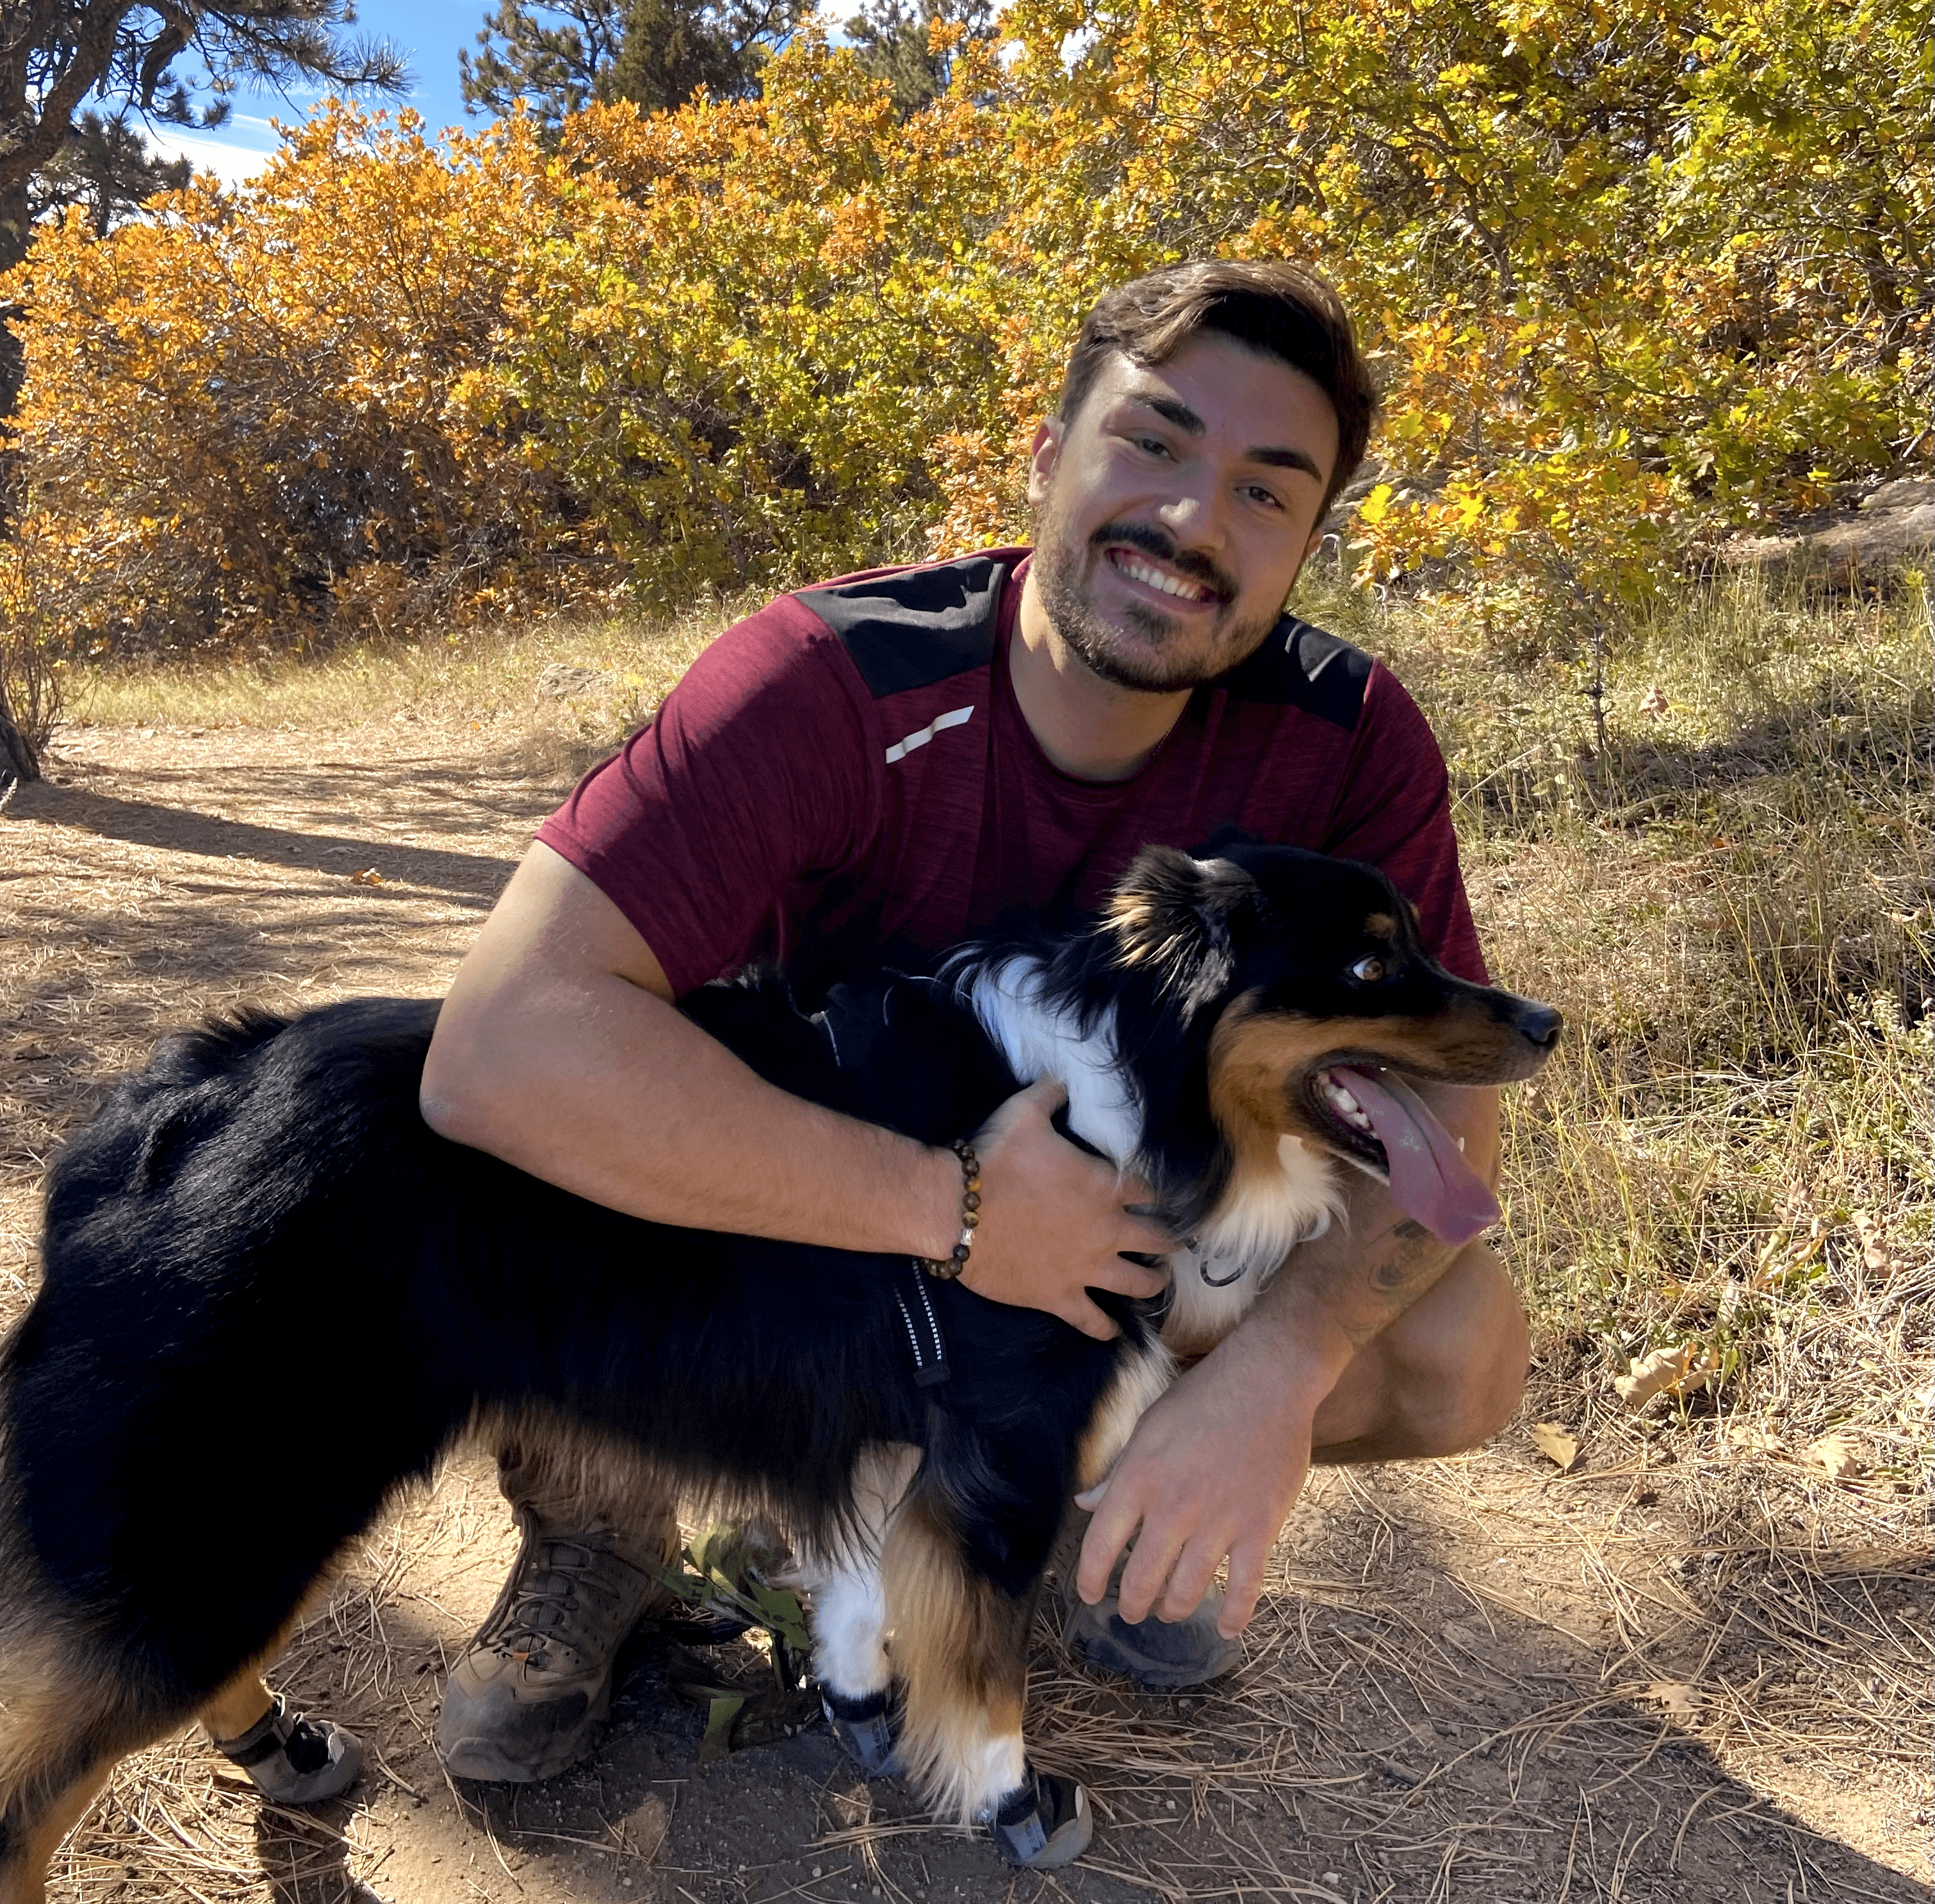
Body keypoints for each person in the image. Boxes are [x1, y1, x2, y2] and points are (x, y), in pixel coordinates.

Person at [415, 259, 1530, 1785]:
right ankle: (598, 1530)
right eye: (1152, 443)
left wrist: (1271, 1380)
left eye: (1268, 492)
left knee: (1457, 1341)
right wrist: (951, 1211)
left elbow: (1443, 1140)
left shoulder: (1345, 735)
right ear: (1046, 451)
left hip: (1104, 1237)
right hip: (797, 1208)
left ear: (1306, 545)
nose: (1197, 522)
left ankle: (1063, 1506)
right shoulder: (826, 679)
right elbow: (499, 1049)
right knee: (524, 1155)